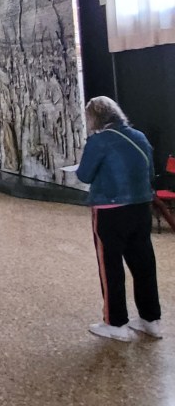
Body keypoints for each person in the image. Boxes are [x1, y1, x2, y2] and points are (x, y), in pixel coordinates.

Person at [76, 96, 162, 342]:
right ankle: (151, 320)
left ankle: (116, 324)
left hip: (110, 211)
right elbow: (149, 172)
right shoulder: (139, 137)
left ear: (94, 118)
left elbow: (84, 175)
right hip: (141, 207)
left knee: (110, 266)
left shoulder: (99, 141)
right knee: (144, 264)